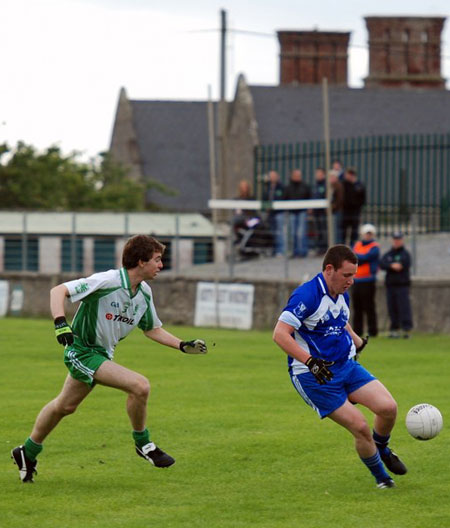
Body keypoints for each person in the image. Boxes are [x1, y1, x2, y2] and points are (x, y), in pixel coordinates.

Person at [12, 235, 208, 483]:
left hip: (102, 354)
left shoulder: (144, 293)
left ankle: (27, 451)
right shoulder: (108, 281)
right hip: (81, 350)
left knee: (65, 406)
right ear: (140, 261)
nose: (161, 265)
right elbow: (58, 290)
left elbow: (152, 329)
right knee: (139, 386)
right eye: (157, 260)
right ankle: (143, 444)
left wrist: (181, 345)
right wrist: (60, 323)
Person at [273, 244, 407, 489]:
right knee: (360, 427)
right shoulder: (306, 296)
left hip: (346, 365)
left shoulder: (341, 292)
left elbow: (339, 319)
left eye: (354, 275)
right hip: (315, 376)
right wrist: (310, 361)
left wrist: (355, 339)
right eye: (347, 275)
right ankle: (383, 480)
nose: (351, 281)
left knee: (388, 408)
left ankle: (381, 448)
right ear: (329, 269)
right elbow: (280, 334)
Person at [379, 232, 413, 338]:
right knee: (392, 308)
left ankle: (406, 329)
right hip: (390, 285)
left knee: (404, 307)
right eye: (395, 239)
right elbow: (382, 263)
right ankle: (394, 329)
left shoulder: (405, 254)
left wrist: (391, 265)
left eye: (398, 239)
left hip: (402, 285)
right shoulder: (389, 253)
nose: (396, 241)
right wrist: (391, 265)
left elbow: (402, 265)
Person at [352, 224, 380, 337]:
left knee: (369, 306)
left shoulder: (374, 247)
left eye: (370, 234)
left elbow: (364, 258)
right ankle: (358, 331)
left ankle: (373, 331)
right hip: (356, 280)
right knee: (357, 307)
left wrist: (358, 256)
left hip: (368, 280)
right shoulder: (358, 245)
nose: (368, 236)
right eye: (366, 233)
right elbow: (355, 257)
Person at [283, 168, 311, 257]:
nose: (298, 177)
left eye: (299, 175)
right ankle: (294, 251)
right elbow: (285, 198)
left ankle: (303, 251)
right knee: (293, 233)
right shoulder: (288, 187)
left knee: (301, 233)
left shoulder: (305, 186)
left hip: (302, 211)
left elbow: (309, 196)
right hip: (292, 212)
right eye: (296, 175)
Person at [263, 170, 285, 256]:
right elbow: (265, 198)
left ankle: (280, 250)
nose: (272, 178)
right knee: (272, 232)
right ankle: (273, 249)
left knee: (279, 232)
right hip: (270, 213)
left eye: (274, 176)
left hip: (279, 212)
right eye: (271, 176)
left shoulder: (281, 187)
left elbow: (282, 197)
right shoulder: (267, 187)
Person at [342, 167, 366, 247]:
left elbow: (363, 198)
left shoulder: (359, 185)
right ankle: (343, 246)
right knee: (344, 231)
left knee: (354, 231)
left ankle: (353, 246)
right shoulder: (344, 184)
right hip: (345, 211)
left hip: (355, 211)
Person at [312, 167, 327, 255]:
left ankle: (324, 248)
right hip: (316, 211)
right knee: (318, 231)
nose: (318, 175)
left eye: (320, 174)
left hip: (323, 212)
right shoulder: (315, 185)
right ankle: (319, 248)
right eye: (317, 174)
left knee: (323, 230)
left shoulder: (326, 185)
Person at [329, 170, 344, 244]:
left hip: (336, 210)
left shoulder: (338, 186)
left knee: (336, 229)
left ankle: (337, 244)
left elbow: (339, 199)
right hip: (332, 210)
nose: (330, 179)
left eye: (332, 177)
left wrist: (332, 207)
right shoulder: (330, 186)